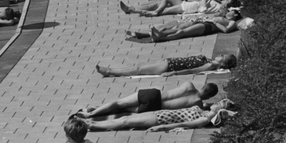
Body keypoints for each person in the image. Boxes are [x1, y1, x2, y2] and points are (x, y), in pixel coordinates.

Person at [79, 80, 219, 120]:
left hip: (154, 95)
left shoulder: (189, 85)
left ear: (204, 86)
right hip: (156, 107)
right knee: (122, 109)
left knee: (119, 103)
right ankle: (94, 113)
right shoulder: (198, 104)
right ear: (209, 96)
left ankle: (92, 111)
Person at [82, 100, 235, 133]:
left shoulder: (205, 119)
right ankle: (91, 121)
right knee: (126, 119)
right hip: (161, 114)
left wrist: (161, 127)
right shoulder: (205, 111)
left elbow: (185, 126)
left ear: (220, 112)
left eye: (221, 103)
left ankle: (92, 125)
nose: (218, 101)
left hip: (161, 120)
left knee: (125, 121)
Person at [96, 52, 236, 77]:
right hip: (170, 62)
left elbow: (192, 71)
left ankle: (109, 71)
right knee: (138, 67)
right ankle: (111, 70)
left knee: (138, 69)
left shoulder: (209, 66)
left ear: (223, 64)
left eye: (223, 57)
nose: (221, 55)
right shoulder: (210, 61)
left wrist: (173, 72)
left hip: (170, 67)